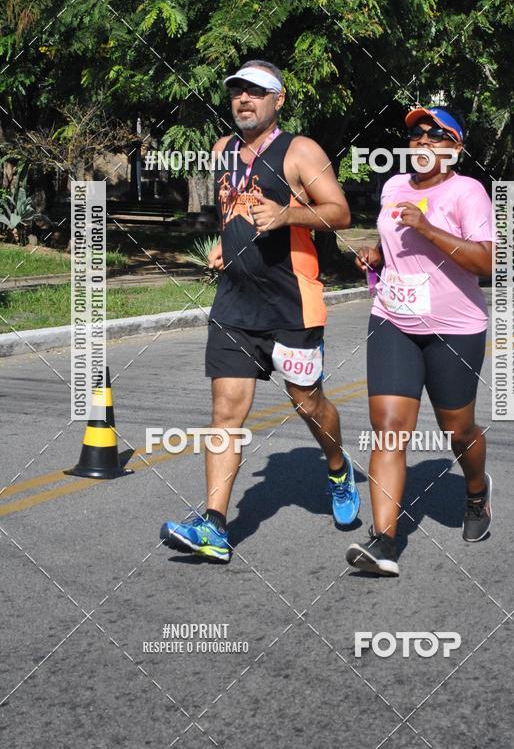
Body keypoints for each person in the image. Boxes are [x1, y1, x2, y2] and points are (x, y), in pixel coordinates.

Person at [161, 60, 359, 562]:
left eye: (256, 92)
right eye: (237, 93)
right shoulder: (223, 150)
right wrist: (228, 247)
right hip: (234, 303)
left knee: (308, 403)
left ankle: (338, 468)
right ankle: (215, 526)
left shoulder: (300, 150)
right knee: (225, 414)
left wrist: (289, 213)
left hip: (291, 304)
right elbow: (235, 210)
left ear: (279, 100)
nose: (244, 100)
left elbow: (339, 212)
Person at [346, 105, 495, 576]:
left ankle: (476, 492)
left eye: (437, 135)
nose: (424, 141)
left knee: (459, 430)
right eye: (416, 135)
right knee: (388, 426)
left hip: (456, 328)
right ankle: (384, 541)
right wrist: (375, 255)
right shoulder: (392, 187)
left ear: (456, 148)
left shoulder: (467, 192)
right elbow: (393, 247)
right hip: (393, 318)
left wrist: (427, 227)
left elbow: (488, 263)